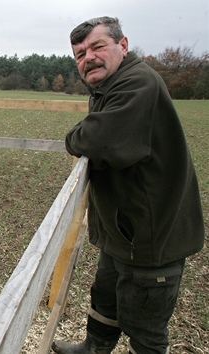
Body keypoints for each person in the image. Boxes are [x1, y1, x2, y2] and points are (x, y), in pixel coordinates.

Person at [52, 17, 205, 354]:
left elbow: (95, 139)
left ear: (123, 46)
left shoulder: (137, 84)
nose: (87, 58)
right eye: (79, 54)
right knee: (106, 296)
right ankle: (94, 347)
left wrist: (75, 136)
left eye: (96, 47)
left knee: (145, 325)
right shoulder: (111, 85)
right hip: (125, 229)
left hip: (150, 237)